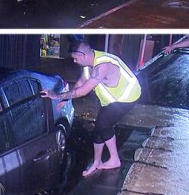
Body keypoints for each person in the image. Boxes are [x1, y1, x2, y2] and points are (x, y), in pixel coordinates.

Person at [41, 41, 141, 177]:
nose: (74, 61)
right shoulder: (89, 66)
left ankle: (114, 159)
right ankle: (97, 162)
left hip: (127, 97)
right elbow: (80, 83)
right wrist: (66, 98)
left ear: (82, 55)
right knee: (98, 130)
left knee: (104, 124)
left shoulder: (102, 66)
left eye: (75, 58)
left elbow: (83, 91)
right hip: (112, 100)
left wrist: (56, 96)